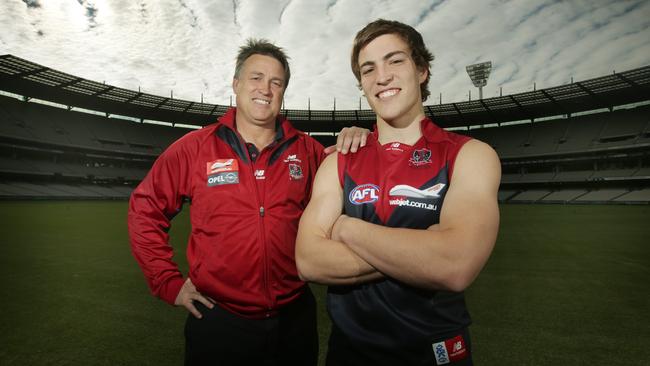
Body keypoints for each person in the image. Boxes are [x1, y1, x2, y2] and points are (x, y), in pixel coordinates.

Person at [128, 38, 368, 366]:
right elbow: (145, 208)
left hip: (294, 318)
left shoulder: (309, 151)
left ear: (283, 91)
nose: (265, 89)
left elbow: (358, 186)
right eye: (256, 78)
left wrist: (363, 139)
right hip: (218, 321)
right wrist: (168, 282)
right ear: (236, 84)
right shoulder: (194, 148)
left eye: (276, 82)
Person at [296, 19, 501, 366]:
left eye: (395, 60)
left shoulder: (471, 154)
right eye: (368, 69)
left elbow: (454, 265)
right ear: (361, 84)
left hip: (434, 354)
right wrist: (423, 249)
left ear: (421, 69)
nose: (382, 76)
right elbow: (309, 260)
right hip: (348, 355)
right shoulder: (339, 161)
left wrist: (347, 229)